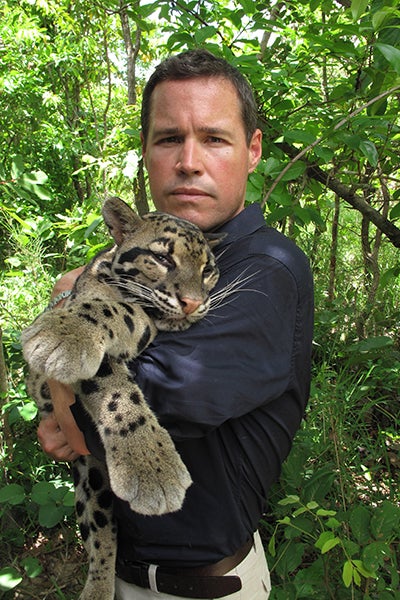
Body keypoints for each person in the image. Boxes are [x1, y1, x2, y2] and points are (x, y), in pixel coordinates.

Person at [38, 49, 314, 599]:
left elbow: (130, 408)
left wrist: (69, 322)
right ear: (146, 153)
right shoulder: (142, 248)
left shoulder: (264, 270)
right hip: (119, 572)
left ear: (252, 150)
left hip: (206, 587)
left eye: (214, 138)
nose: (189, 161)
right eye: (169, 139)